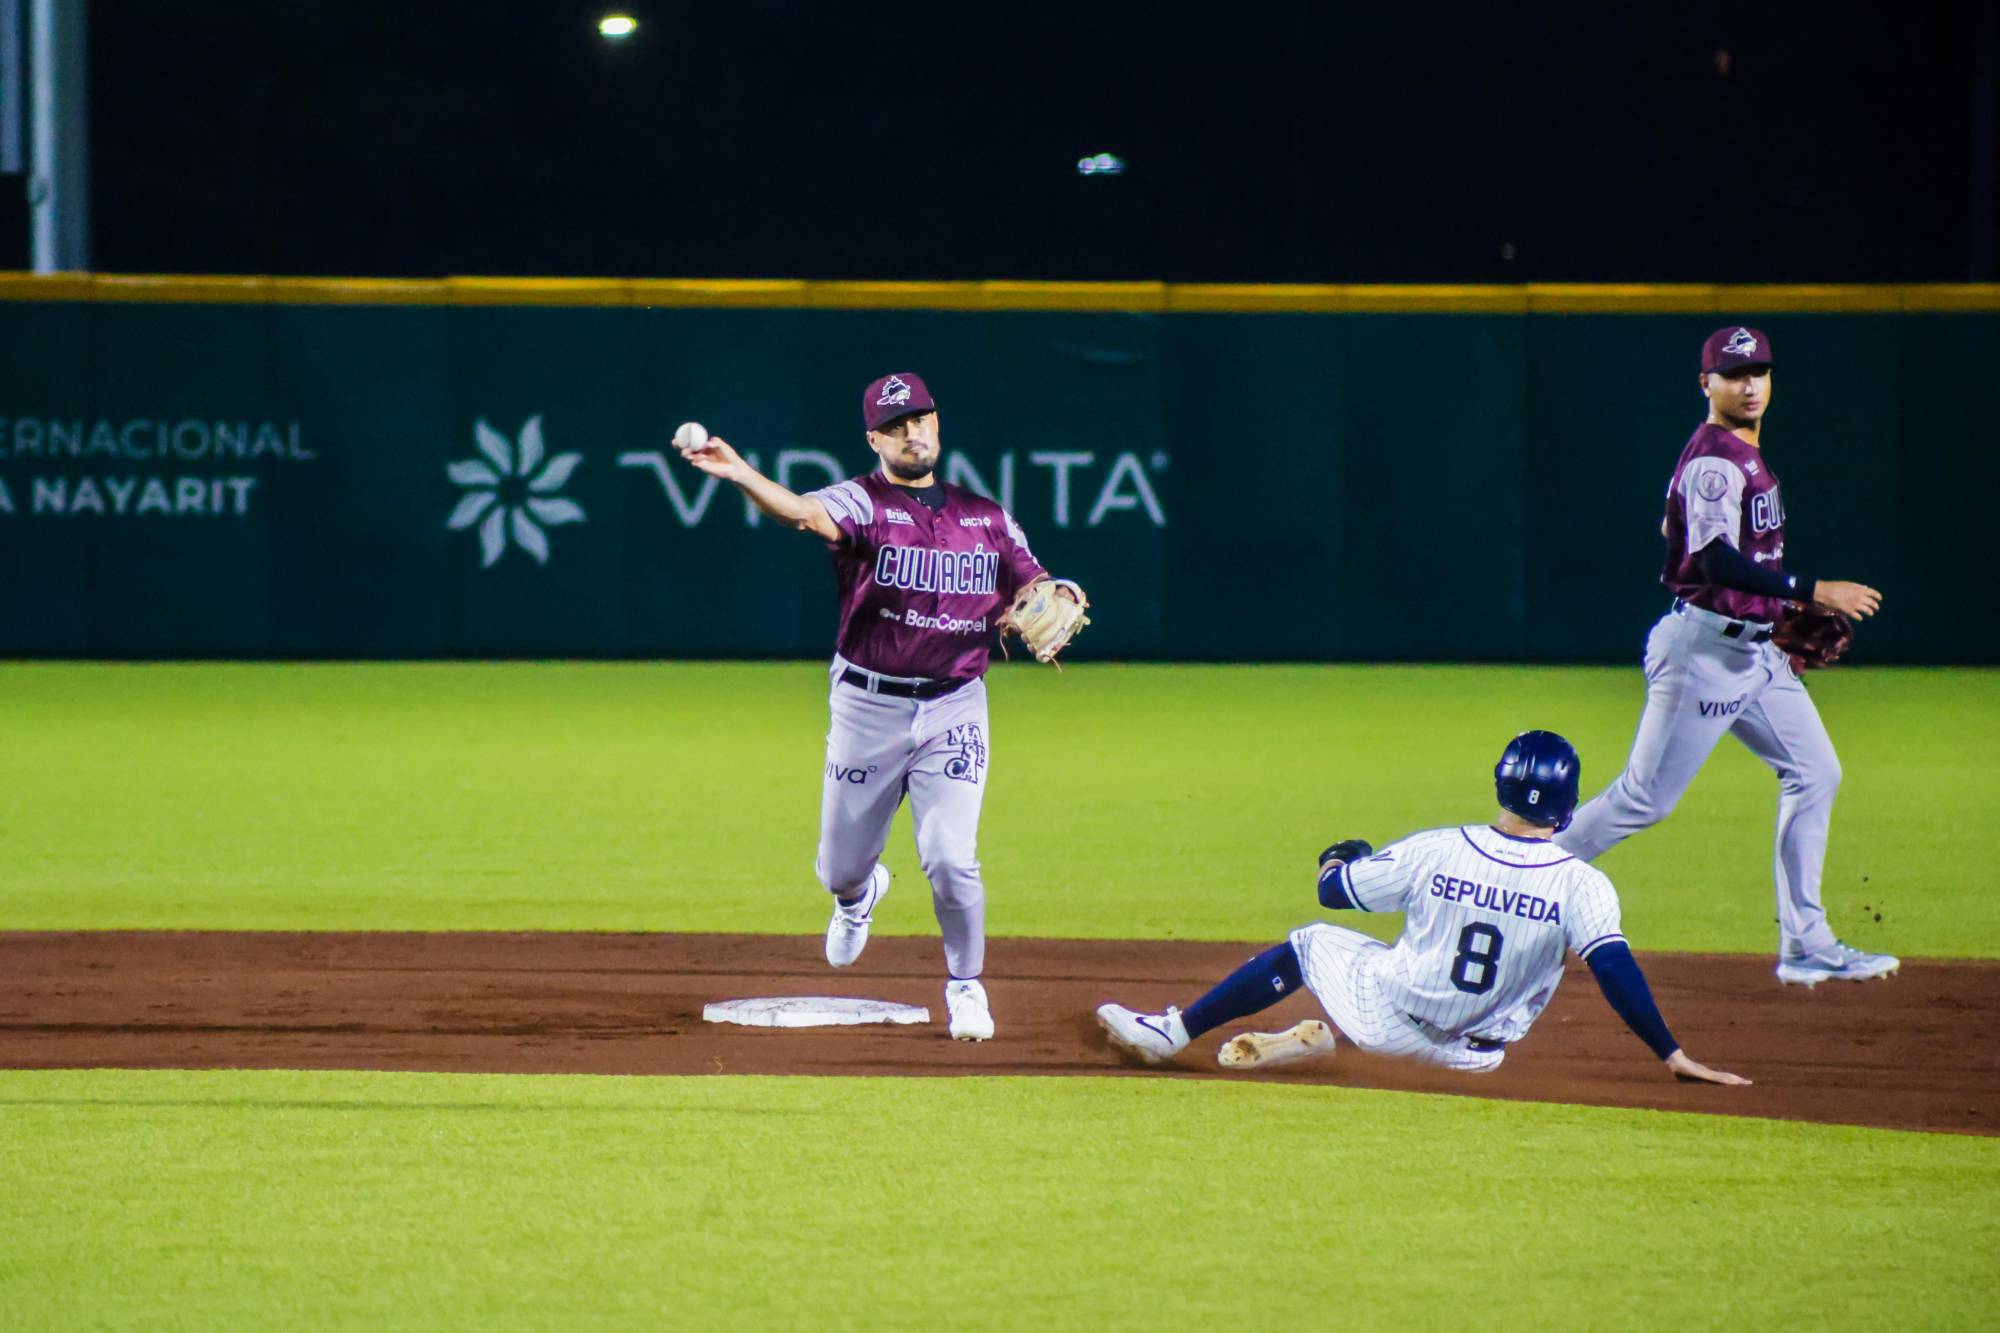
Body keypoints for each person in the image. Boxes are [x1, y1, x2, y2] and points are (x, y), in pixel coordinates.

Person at [675, 372, 1084, 1041]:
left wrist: (1053, 592)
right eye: (895, 425)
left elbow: (1034, 581)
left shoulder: (986, 518)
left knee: (951, 858)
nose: (911, 432)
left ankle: (966, 985)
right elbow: (802, 512)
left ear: (937, 423)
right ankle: (858, 896)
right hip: (868, 705)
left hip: (954, 707)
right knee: (839, 868)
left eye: (919, 419)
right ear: (875, 440)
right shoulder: (861, 502)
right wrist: (743, 473)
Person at [1096, 731, 1750, 1085]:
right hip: (1475, 1058)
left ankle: (1173, 1033)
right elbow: (1614, 970)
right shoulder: (1583, 884)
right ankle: (1316, 1043)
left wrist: (1340, 857)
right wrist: (1671, 1053)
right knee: (1412, 968)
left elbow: (1334, 892)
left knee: (1311, 942)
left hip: (1388, 1023)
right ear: (1569, 805)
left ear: (1500, 785)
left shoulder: (1439, 848)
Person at [1556, 326, 1895, 986]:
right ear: (1705, 383)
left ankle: (1806, 942)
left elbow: (1683, 533)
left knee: (1815, 772)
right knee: (1642, 799)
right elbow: (1712, 558)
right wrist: (1808, 591)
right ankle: (1510, 882)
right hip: (1706, 653)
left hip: (1755, 652)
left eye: (1759, 371)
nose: (1750, 385)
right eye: (1735, 374)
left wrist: (1773, 613)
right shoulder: (1716, 460)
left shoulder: (1739, 454)